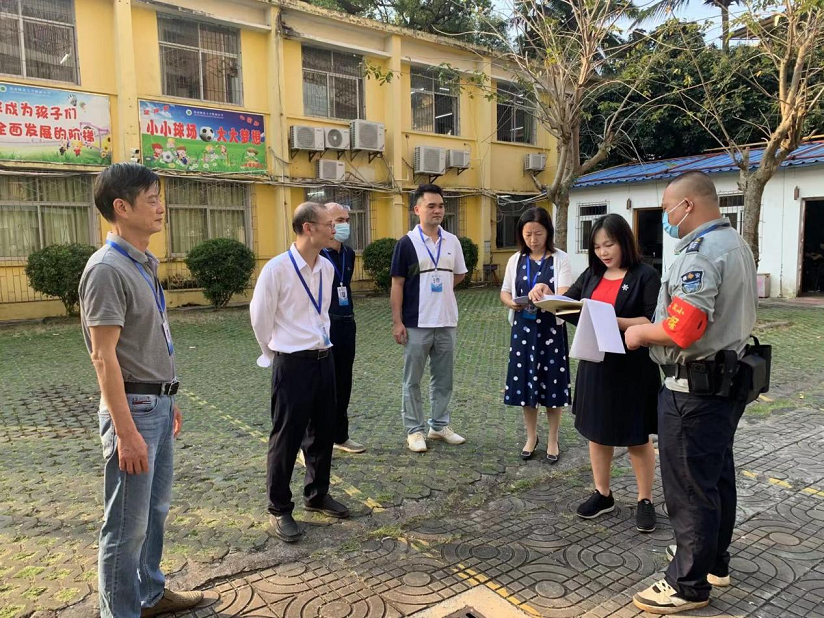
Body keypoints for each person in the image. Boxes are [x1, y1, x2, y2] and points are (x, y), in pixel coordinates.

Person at [626, 171, 758, 614]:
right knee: (715, 477)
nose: (666, 218)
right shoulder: (736, 245)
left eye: (667, 209)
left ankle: (687, 583)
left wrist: (641, 333)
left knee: (688, 488)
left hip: (693, 390)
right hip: (727, 382)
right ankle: (712, 560)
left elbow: (683, 329)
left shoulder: (699, 255)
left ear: (688, 205)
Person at [78, 163, 202, 618]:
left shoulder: (142, 263)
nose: (161, 207)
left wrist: (168, 397)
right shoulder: (106, 270)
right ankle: (120, 612)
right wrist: (126, 432)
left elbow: (145, 342)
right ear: (121, 207)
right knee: (126, 526)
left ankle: (150, 593)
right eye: (151, 199)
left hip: (156, 402)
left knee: (154, 511)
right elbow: (103, 357)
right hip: (132, 409)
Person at [250, 202, 350, 544]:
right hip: (292, 362)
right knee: (287, 436)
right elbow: (260, 319)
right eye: (328, 223)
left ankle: (317, 494)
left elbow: (321, 314)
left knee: (323, 431)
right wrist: (273, 353)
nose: (334, 229)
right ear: (308, 228)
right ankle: (279, 508)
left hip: (324, 357)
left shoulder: (326, 267)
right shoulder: (276, 269)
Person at [561, 214, 661, 532]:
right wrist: (546, 296)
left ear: (624, 242)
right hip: (595, 365)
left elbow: (652, 320)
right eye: (597, 246)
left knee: (636, 437)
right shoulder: (593, 274)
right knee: (597, 432)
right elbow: (570, 304)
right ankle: (603, 493)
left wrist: (611, 320)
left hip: (633, 368)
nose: (603, 252)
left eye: (609, 244)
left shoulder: (645, 275)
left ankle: (645, 499)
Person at [390, 184, 468, 453]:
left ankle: (439, 425)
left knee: (444, 379)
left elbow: (459, 274)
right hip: (416, 323)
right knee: (412, 380)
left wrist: (440, 291)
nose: (437, 210)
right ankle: (414, 430)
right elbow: (397, 284)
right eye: (431, 206)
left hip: (446, 321)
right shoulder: (406, 244)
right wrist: (397, 321)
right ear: (417, 209)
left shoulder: (452, 241)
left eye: (441, 206)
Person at [500, 206, 572, 463]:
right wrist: (511, 303)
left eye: (538, 233)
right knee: (525, 386)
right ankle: (531, 436)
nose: (533, 239)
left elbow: (565, 296)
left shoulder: (560, 259)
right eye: (528, 234)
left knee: (552, 386)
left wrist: (547, 291)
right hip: (523, 331)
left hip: (550, 331)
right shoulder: (515, 260)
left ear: (548, 232)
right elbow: (505, 291)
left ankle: (553, 438)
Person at [321, 202, 365, 454]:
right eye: (339, 220)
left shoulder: (348, 254)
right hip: (324, 326)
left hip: (347, 323)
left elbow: (344, 285)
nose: (345, 225)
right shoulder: (316, 254)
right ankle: (312, 441)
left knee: (344, 381)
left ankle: (340, 435)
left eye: (347, 220)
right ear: (326, 223)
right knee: (322, 383)